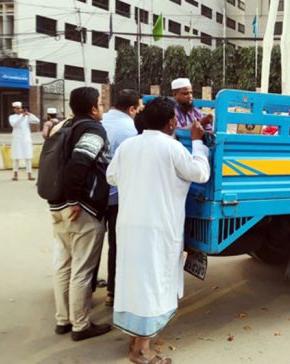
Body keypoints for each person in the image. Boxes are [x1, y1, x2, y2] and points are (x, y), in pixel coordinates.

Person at [107, 97, 210, 364]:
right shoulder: (171, 148)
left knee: (133, 281)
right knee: (152, 284)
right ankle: (141, 350)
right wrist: (198, 143)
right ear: (171, 122)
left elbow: (111, 177)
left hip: (129, 225)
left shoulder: (129, 146)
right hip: (158, 228)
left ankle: (134, 339)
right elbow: (199, 173)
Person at [47, 87, 112, 341]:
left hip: (57, 206)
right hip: (81, 209)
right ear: (93, 108)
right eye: (101, 103)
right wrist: (75, 199)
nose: (102, 108)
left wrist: (65, 199)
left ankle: (62, 320)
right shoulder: (93, 130)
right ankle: (81, 326)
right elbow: (80, 161)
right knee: (82, 270)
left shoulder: (64, 126)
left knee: (63, 264)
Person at [100, 89, 142, 307]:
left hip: (93, 196)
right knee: (117, 245)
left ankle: (84, 289)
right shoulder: (131, 130)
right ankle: (113, 292)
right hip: (118, 197)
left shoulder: (100, 121)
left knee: (92, 245)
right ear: (132, 109)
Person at [9, 101, 40, 181]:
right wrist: (22, 117)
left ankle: (29, 174)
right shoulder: (12, 117)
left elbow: (37, 121)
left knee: (28, 156)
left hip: (26, 138)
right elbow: (15, 124)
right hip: (17, 139)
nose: (20, 110)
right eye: (18, 108)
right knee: (16, 157)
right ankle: (15, 174)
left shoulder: (26, 117)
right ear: (14, 109)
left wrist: (29, 114)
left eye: (20, 108)